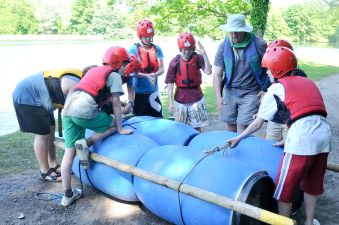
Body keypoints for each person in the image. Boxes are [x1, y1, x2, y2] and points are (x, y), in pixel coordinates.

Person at [226, 47, 331, 225]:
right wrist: (288, 136)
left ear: (277, 69)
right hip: (324, 135)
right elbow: (307, 113)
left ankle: (283, 223)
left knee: (285, 189)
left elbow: (257, 123)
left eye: (267, 69)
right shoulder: (308, 82)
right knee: (311, 185)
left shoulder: (276, 88)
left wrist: (238, 138)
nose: (266, 73)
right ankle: (309, 222)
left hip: (302, 138)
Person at [60, 47, 141, 207]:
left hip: (68, 109)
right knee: (111, 123)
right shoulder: (115, 76)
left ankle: (67, 195)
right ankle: (86, 144)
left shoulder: (95, 71)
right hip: (83, 109)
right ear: (118, 63)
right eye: (125, 65)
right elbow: (116, 104)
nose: (126, 69)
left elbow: (100, 94)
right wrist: (120, 128)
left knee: (68, 154)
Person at [12, 68, 83, 182]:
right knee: (42, 134)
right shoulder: (76, 85)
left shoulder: (80, 82)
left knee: (50, 128)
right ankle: (44, 171)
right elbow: (70, 112)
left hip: (40, 98)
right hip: (28, 96)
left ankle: (53, 164)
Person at [213, 14, 270, 133]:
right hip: (230, 91)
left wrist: (265, 90)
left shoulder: (259, 44)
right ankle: (232, 150)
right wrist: (218, 97)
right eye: (231, 32)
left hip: (251, 92)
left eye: (237, 32)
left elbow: (270, 69)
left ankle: (244, 149)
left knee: (244, 126)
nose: (233, 35)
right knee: (230, 123)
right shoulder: (224, 45)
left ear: (244, 30)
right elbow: (217, 74)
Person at [165, 32, 212, 131]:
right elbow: (170, 83)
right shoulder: (175, 62)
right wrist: (170, 102)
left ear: (193, 48)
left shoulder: (198, 58)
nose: (187, 52)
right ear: (180, 49)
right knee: (180, 127)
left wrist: (204, 54)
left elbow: (208, 71)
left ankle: (196, 143)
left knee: (197, 127)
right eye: (184, 50)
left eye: (189, 49)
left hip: (196, 97)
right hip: (180, 98)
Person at [264, 39, 307, 145]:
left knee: (289, 146)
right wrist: (261, 112)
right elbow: (266, 94)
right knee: (269, 145)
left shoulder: (299, 75)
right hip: (274, 119)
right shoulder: (271, 76)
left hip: (290, 120)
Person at [128, 19, 165, 117]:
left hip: (153, 91)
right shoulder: (133, 50)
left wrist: (153, 74)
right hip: (139, 93)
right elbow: (130, 72)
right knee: (139, 119)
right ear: (140, 36)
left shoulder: (157, 49)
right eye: (145, 36)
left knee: (158, 117)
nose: (148, 39)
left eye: (150, 36)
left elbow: (162, 69)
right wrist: (146, 76)